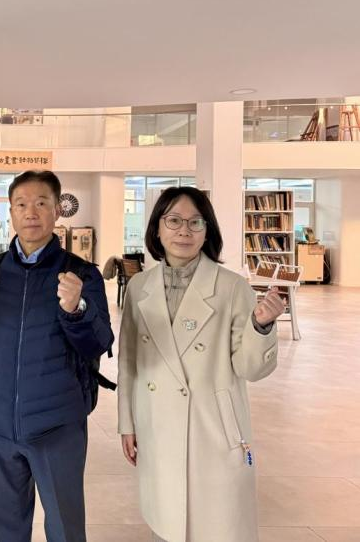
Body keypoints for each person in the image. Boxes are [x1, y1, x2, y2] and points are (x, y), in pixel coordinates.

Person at [117, 187, 284, 542]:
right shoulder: (139, 287)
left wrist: (261, 326)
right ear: (157, 228)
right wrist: (127, 423)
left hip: (214, 427)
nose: (184, 231)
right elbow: (129, 362)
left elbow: (250, 368)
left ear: (207, 231)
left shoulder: (232, 288)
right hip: (156, 422)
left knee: (220, 524)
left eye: (196, 222)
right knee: (167, 521)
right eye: (174, 220)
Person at [0, 170, 114, 542]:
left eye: (41, 203)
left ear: (57, 210)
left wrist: (76, 309)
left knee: (64, 525)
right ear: (10, 211)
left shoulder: (81, 274)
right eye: (21, 204)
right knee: (7, 523)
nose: (31, 212)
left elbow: (99, 343)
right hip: (0, 422)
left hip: (57, 424)